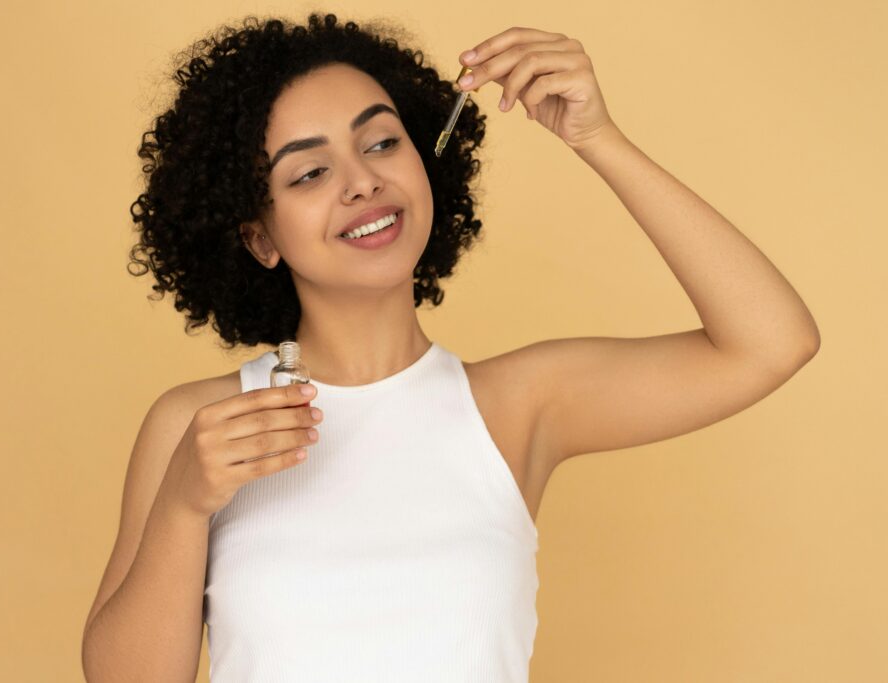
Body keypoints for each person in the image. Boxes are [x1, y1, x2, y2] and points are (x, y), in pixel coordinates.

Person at [81, 12, 820, 682]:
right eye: (310, 172)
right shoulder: (198, 428)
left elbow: (771, 342)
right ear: (259, 236)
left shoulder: (516, 405)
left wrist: (598, 138)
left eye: (381, 142)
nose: (363, 181)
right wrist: (182, 504)